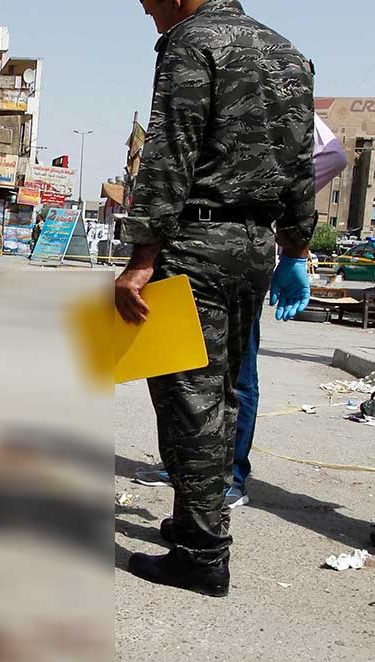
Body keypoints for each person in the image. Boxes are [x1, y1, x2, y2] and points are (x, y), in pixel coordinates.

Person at [115, 0, 316, 597]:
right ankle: (193, 519)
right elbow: (302, 161)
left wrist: (141, 258)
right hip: (254, 246)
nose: (147, 11)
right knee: (223, 391)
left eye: (149, 1)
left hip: (196, 243)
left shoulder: (191, 42)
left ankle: (202, 553)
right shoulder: (286, 50)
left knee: (188, 397)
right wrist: (296, 247)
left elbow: (168, 155)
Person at [134, 114, 349, 508]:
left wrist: (277, 211)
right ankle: (185, 464)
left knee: (235, 371)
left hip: (236, 243)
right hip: (186, 243)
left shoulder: (272, 81)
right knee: (175, 366)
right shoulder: (215, 80)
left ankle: (229, 474)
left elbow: (331, 157)